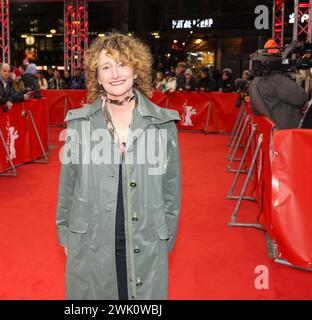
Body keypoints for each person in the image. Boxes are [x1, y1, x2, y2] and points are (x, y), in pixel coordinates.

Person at [56, 32, 181, 300]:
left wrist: (165, 235)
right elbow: (68, 184)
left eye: (122, 64)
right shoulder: (79, 123)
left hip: (145, 237)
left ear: (136, 70)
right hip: (92, 236)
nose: (115, 73)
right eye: (106, 66)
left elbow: (172, 187)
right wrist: (65, 233)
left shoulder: (162, 123)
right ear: (96, 76)